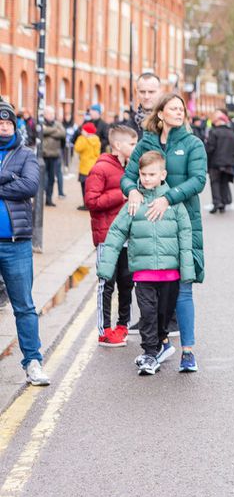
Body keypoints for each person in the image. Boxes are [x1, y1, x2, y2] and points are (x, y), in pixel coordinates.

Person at [123, 92, 207, 373]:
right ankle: (159, 344)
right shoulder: (146, 142)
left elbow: (198, 180)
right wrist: (132, 189)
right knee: (157, 291)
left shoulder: (193, 144)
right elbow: (128, 175)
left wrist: (168, 198)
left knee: (183, 288)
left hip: (184, 223)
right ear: (160, 114)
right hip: (150, 227)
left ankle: (188, 351)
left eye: (181, 108)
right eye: (173, 108)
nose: (179, 112)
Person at [97, 152, 194, 375]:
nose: (147, 179)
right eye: (143, 174)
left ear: (163, 175)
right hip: (143, 274)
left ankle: (160, 343)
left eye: (152, 174)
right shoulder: (134, 202)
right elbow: (116, 235)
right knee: (147, 314)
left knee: (163, 316)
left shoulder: (174, 203)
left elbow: (185, 236)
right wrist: (105, 267)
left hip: (170, 274)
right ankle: (150, 354)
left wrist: (187, 269)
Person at [0, 99, 49, 385]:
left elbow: (30, 186)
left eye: (9, 123)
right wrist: (8, 177)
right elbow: (17, 186)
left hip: (16, 244)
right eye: (0, 122)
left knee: (24, 306)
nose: (4, 127)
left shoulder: (26, 154)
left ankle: (33, 362)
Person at [86, 124, 138, 347]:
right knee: (107, 283)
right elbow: (91, 201)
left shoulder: (131, 169)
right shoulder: (100, 168)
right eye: (132, 144)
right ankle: (104, 330)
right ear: (118, 145)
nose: (136, 148)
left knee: (127, 283)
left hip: (128, 236)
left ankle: (122, 324)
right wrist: (122, 193)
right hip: (107, 237)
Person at [205, 110, 234, 214]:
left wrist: (207, 160)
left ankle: (217, 202)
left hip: (215, 163)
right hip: (228, 163)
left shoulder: (214, 132)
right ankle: (224, 203)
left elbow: (210, 148)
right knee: (224, 183)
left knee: (215, 182)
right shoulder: (232, 133)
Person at [125, 72, 163, 140]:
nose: (146, 96)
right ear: (137, 93)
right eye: (142, 92)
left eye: (151, 92)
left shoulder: (169, 121)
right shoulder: (130, 126)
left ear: (160, 92)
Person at [40, 106, 66, 207]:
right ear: (45, 114)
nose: (52, 116)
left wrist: (49, 131)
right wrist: (54, 131)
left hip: (54, 156)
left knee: (51, 178)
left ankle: (49, 199)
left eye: (53, 114)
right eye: (50, 114)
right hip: (44, 155)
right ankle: (41, 197)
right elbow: (42, 132)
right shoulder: (42, 123)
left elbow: (63, 134)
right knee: (43, 178)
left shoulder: (58, 124)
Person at [74, 122, 101, 210]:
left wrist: (83, 138)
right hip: (93, 165)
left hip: (85, 167)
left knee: (84, 187)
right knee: (91, 188)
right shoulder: (96, 140)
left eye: (83, 130)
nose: (81, 131)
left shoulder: (83, 139)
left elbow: (77, 148)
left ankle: (86, 204)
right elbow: (97, 153)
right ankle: (90, 203)